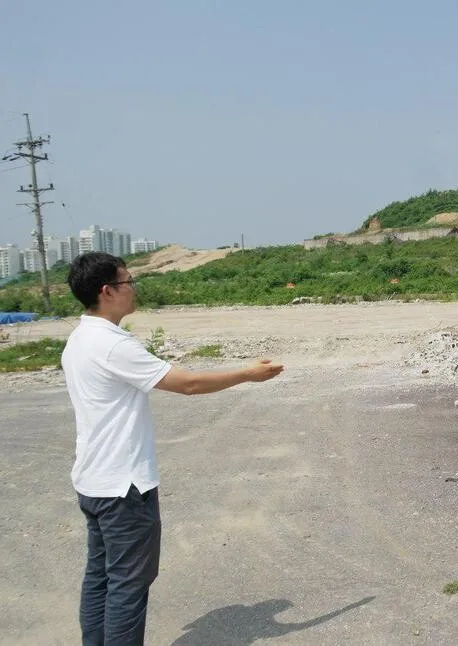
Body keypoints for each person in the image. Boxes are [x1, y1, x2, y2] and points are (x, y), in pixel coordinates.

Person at [61, 252, 283, 645]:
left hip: (94, 481)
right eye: (128, 282)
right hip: (124, 488)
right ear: (107, 291)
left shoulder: (79, 339)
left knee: (100, 578)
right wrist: (247, 374)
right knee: (128, 584)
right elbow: (187, 384)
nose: (134, 289)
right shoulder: (111, 345)